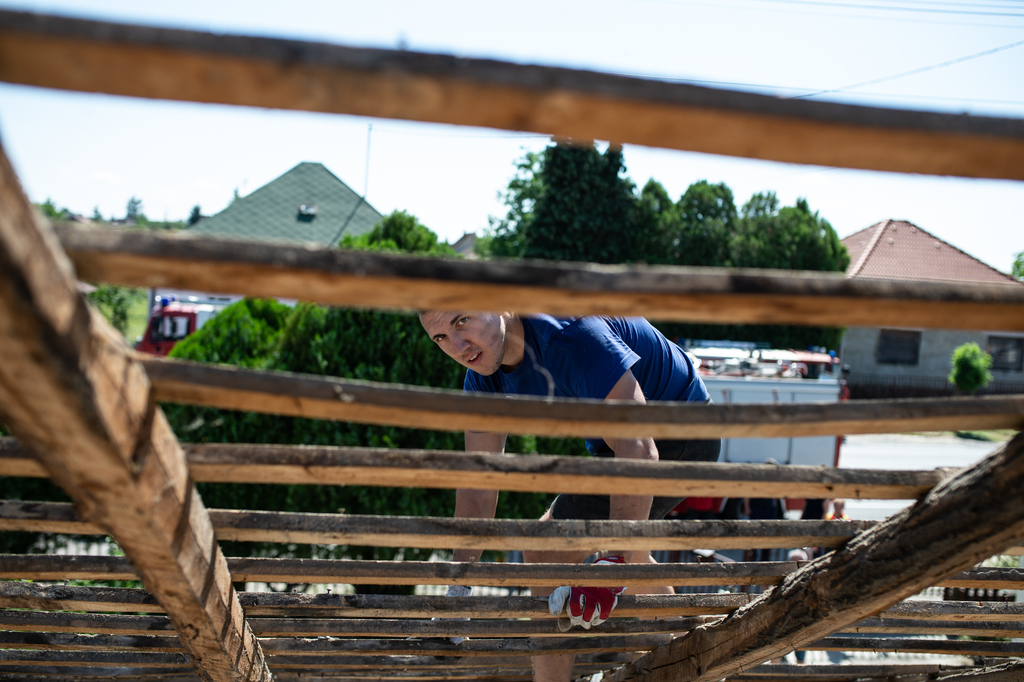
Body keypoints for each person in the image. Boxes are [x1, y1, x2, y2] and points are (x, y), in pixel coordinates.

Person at [419, 311, 721, 682]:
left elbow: (640, 447)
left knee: (547, 547)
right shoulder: (482, 381)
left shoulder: (568, 335)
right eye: (440, 338)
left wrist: (613, 565)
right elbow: (478, 489)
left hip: (679, 430)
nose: (457, 346)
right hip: (621, 446)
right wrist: (459, 588)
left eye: (462, 321)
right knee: (628, 549)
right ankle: (695, 662)